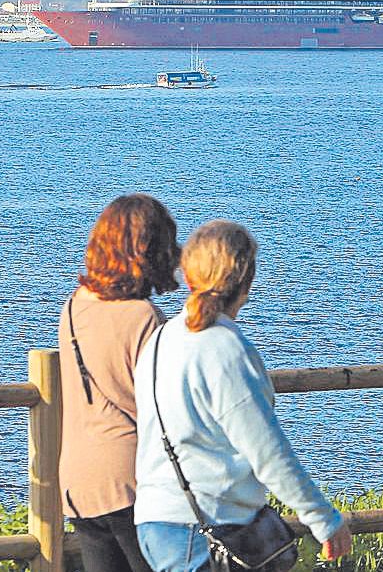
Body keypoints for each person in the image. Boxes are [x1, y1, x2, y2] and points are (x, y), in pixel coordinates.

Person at [133, 220, 351, 572]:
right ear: (246, 283)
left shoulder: (158, 342)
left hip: (155, 521)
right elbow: (266, 448)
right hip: (210, 525)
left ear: (188, 277)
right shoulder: (226, 349)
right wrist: (322, 517)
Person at [59, 194, 180, 572]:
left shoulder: (75, 306)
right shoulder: (144, 318)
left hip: (80, 480)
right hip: (133, 481)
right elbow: (166, 409)